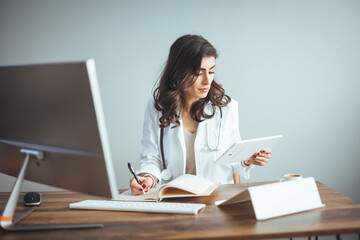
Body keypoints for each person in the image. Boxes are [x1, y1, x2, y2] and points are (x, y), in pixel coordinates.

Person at [129, 34, 271, 195]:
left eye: (211, 71)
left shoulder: (226, 108)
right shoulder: (157, 106)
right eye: (198, 73)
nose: (207, 80)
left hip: (216, 198)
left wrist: (248, 159)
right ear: (178, 72)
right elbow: (150, 158)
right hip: (174, 196)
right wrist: (148, 178)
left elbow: (233, 159)